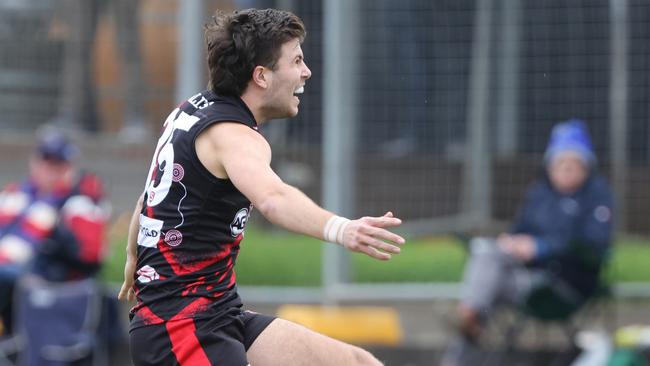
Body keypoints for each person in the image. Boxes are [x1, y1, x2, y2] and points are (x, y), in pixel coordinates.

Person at [117, 8, 405, 366]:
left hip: (218, 313)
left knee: (357, 362)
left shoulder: (190, 111)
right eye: (296, 60)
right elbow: (273, 198)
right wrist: (342, 229)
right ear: (262, 76)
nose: (306, 72)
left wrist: (134, 257)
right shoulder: (235, 137)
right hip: (179, 326)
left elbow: (148, 198)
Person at [452, 119, 613, 348]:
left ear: (586, 166)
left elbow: (594, 242)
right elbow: (521, 229)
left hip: (564, 286)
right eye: (559, 163)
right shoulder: (540, 193)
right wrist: (514, 242)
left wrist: (542, 248)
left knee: (488, 275)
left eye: (572, 163)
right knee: (486, 253)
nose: (565, 170)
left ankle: (468, 317)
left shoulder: (597, 196)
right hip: (527, 278)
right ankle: (467, 325)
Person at [0, 128, 109, 335]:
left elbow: (90, 258)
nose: (50, 169)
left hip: (48, 281)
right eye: (46, 161)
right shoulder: (15, 194)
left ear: (70, 167)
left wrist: (58, 224)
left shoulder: (80, 201)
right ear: (34, 162)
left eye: (58, 163)